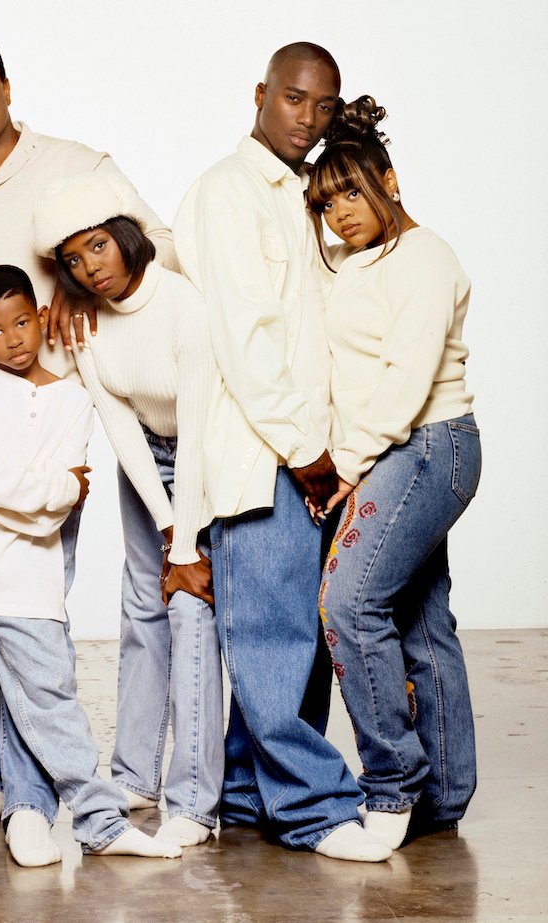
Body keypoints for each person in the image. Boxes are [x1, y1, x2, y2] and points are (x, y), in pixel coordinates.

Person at [0, 28, 180, 838]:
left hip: (44, 419)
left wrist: (81, 286)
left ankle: (30, 796)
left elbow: (155, 245)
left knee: (28, 615)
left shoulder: (77, 166)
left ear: (6, 86)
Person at [172, 42, 390, 861]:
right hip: (264, 452)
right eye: (295, 99)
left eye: (324, 106)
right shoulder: (229, 194)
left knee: (298, 642)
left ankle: (248, 795)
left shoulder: (304, 196)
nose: (309, 118)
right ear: (261, 94)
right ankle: (315, 809)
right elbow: (245, 340)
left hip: (307, 451)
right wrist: (305, 451)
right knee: (271, 638)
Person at [0, 264, 182, 865]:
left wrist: (8, 493)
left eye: (23, 322)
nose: (14, 339)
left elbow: (43, 515)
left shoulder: (75, 400)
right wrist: (50, 486)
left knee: (53, 704)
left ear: (40, 318)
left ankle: (99, 823)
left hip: (29, 581)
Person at [307, 97, 480, 850]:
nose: (341, 212)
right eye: (326, 200)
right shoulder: (352, 262)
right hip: (393, 449)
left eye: (353, 191)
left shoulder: (426, 257)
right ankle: (442, 795)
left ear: (391, 179)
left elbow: (406, 384)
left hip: (423, 443)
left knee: (347, 605)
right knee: (417, 617)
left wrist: (344, 466)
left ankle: (390, 789)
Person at [33, 172, 222, 847]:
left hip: (214, 458)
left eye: (97, 250)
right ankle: (137, 775)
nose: (90, 269)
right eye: (74, 261)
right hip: (147, 460)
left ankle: (195, 802)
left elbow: (199, 430)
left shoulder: (184, 308)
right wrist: (168, 525)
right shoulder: (89, 324)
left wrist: (187, 537)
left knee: (190, 607)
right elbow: (120, 428)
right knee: (143, 607)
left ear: (125, 236)